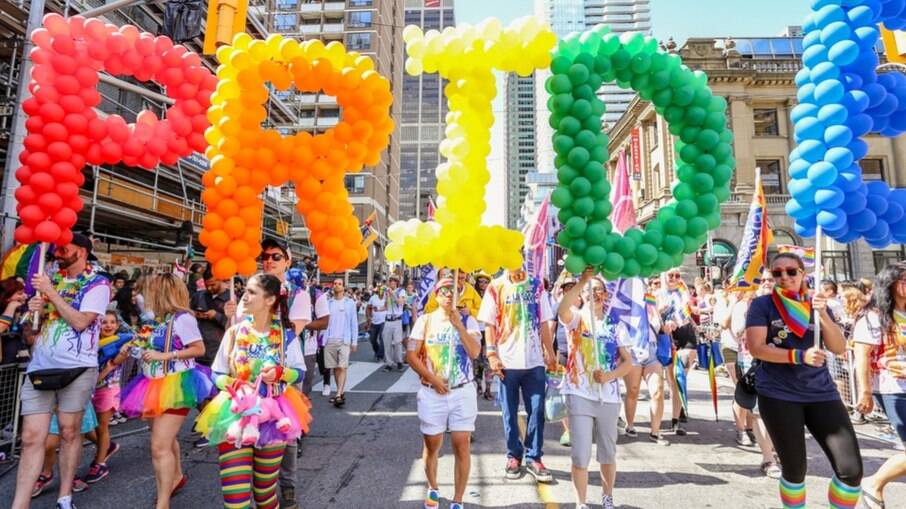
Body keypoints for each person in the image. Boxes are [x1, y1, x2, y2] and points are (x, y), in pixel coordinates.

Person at [745, 253, 862, 509]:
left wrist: (822, 315)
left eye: (790, 271)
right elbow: (756, 347)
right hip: (778, 395)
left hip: (822, 393)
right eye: (777, 273)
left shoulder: (818, 304)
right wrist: (799, 355)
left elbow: (838, 346)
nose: (784, 277)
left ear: (802, 273)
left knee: (851, 471)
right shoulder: (762, 305)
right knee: (795, 470)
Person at [195, 273, 311, 509]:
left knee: (265, 496)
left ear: (269, 300)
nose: (243, 297)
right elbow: (216, 374)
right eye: (244, 291)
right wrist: (233, 384)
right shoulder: (234, 333)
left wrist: (279, 373)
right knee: (235, 500)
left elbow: (299, 372)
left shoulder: (285, 336)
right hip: (235, 414)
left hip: (272, 417)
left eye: (251, 292)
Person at [13, 234, 111, 509]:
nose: (57, 252)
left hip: (77, 369)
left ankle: (64, 496)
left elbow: (81, 322)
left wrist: (51, 295)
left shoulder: (98, 283)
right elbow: (31, 335)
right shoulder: (49, 280)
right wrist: (32, 314)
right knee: (31, 437)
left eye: (63, 248)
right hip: (40, 368)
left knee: (69, 432)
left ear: (81, 251)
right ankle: (19, 504)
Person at [119, 274, 212, 509]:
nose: (143, 295)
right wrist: (134, 346)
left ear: (161, 292)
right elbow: (150, 343)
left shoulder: (183, 319)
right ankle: (177, 476)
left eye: (150, 290)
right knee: (165, 440)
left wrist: (166, 355)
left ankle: (163, 503)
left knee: (159, 446)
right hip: (151, 382)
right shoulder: (158, 319)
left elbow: (198, 349)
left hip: (176, 384)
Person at [558, 269, 632, 509]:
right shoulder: (577, 319)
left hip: (608, 398)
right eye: (590, 291)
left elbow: (628, 363)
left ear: (605, 295)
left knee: (607, 454)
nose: (595, 294)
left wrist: (609, 375)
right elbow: (562, 310)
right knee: (580, 454)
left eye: (599, 290)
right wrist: (583, 281)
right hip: (579, 393)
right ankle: (581, 502)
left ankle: (607, 497)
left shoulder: (615, 325)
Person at [406, 277, 481, 509]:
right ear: (436, 296)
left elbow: (475, 352)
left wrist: (459, 324)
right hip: (432, 392)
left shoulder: (469, 320)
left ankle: (458, 500)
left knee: (462, 444)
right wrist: (433, 379)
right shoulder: (425, 321)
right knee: (432, 445)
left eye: (453, 291)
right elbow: (411, 355)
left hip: (462, 391)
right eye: (444, 291)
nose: (449, 294)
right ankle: (433, 487)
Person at [478, 267, 556, 482]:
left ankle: (534, 457)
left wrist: (549, 353)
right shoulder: (496, 286)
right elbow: (489, 324)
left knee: (537, 410)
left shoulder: (536, 285)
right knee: (509, 412)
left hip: (534, 362)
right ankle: (513, 455)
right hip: (507, 361)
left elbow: (544, 322)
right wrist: (492, 355)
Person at [853, 262, 906, 508]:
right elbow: (862, 356)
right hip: (893, 388)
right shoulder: (873, 317)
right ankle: (874, 483)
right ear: (891, 284)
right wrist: (865, 392)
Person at [81, 311, 127, 484]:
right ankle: (107, 446)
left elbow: (109, 367)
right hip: (90, 391)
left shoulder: (122, 345)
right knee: (83, 426)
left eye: (112, 322)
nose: (108, 325)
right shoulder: (91, 344)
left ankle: (100, 464)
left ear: (117, 325)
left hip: (108, 390)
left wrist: (106, 370)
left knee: (102, 427)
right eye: (104, 322)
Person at [623, 277, 669, 446]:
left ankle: (655, 432)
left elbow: (660, 327)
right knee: (633, 390)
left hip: (652, 350)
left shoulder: (652, 302)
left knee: (657, 390)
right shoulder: (627, 303)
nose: (644, 286)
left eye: (646, 284)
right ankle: (630, 425)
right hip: (633, 349)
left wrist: (664, 321)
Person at [658, 268, 696, 435]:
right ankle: (677, 410)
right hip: (666, 338)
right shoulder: (657, 294)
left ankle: (676, 420)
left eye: (677, 275)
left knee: (679, 378)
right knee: (671, 380)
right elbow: (651, 317)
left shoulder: (684, 293)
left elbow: (691, 313)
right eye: (670, 275)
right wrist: (661, 311)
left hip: (686, 335)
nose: (674, 278)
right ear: (663, 277)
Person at [320, 279, 358, 407]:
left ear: (344, 287)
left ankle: (338, 394)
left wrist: (354, 341)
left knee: (342, 366)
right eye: (335, 284)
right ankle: (339, 392)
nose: (337, 286)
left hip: (344, 340)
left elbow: (354, 322)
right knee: (336, 368)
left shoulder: (349, 303)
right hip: (329, 339)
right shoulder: (328, 303)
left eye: (339, 284)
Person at [192, 269, 232, 368]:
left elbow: (235, 325)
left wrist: (216, 316)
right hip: (197, 348)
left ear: (221, 280)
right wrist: (194, 314)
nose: (209, 288)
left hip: (217, 351)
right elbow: (187, 313)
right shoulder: (198, 296)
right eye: (207, 285)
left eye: (213, 285)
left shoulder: (232, 299)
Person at [0, 277, 29, 365]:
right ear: (6, 297)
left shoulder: (23, 311)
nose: (25, 296)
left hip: (19, 365)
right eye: (20, 294)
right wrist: (11, 306)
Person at [382, 275, 407, 372]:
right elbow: (386, 306)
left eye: (393, 281)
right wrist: (378, 309)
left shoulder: (401, 291)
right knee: (387, 343)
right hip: (388, 320)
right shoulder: (386, 292)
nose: (391, 283)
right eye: (390, 281)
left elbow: (400, 302)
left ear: (396, 282)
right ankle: (389, 363)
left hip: (397, 320)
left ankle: (399, 361)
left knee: (397, 342)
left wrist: (392, 293)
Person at [366, 284, 387, 362]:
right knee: (372, 339)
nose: (381, 291)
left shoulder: (387, 297)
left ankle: (380, 356)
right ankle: (377, 351)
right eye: (379, 289)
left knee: (382, 338)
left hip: (384, 321)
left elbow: (387, 306)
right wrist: (368, 318)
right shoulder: (373, 298)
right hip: (374, 322)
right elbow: (368, 308)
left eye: (382, 289)